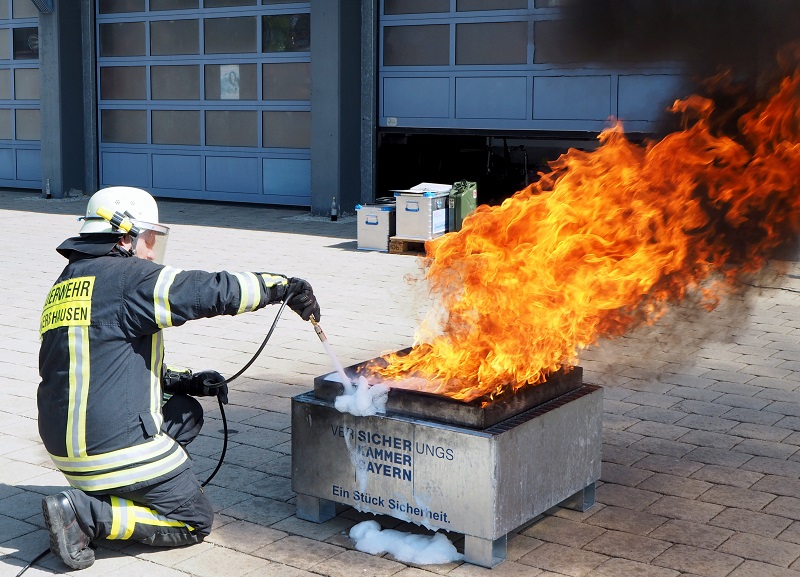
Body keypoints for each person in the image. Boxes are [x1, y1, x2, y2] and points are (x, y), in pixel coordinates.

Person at [37, 186, 320, 570]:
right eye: (149, 240)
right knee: (194, 520)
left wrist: (185, 382)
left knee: (185, 411)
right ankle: (87, 515)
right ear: (125, 236)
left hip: (66, 442)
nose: (152, 252)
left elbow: (100, 362)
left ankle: (120, 491)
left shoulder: (68, 282)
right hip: (109, 447)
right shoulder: (127, 277)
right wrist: (282, 287)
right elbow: (208, 291)